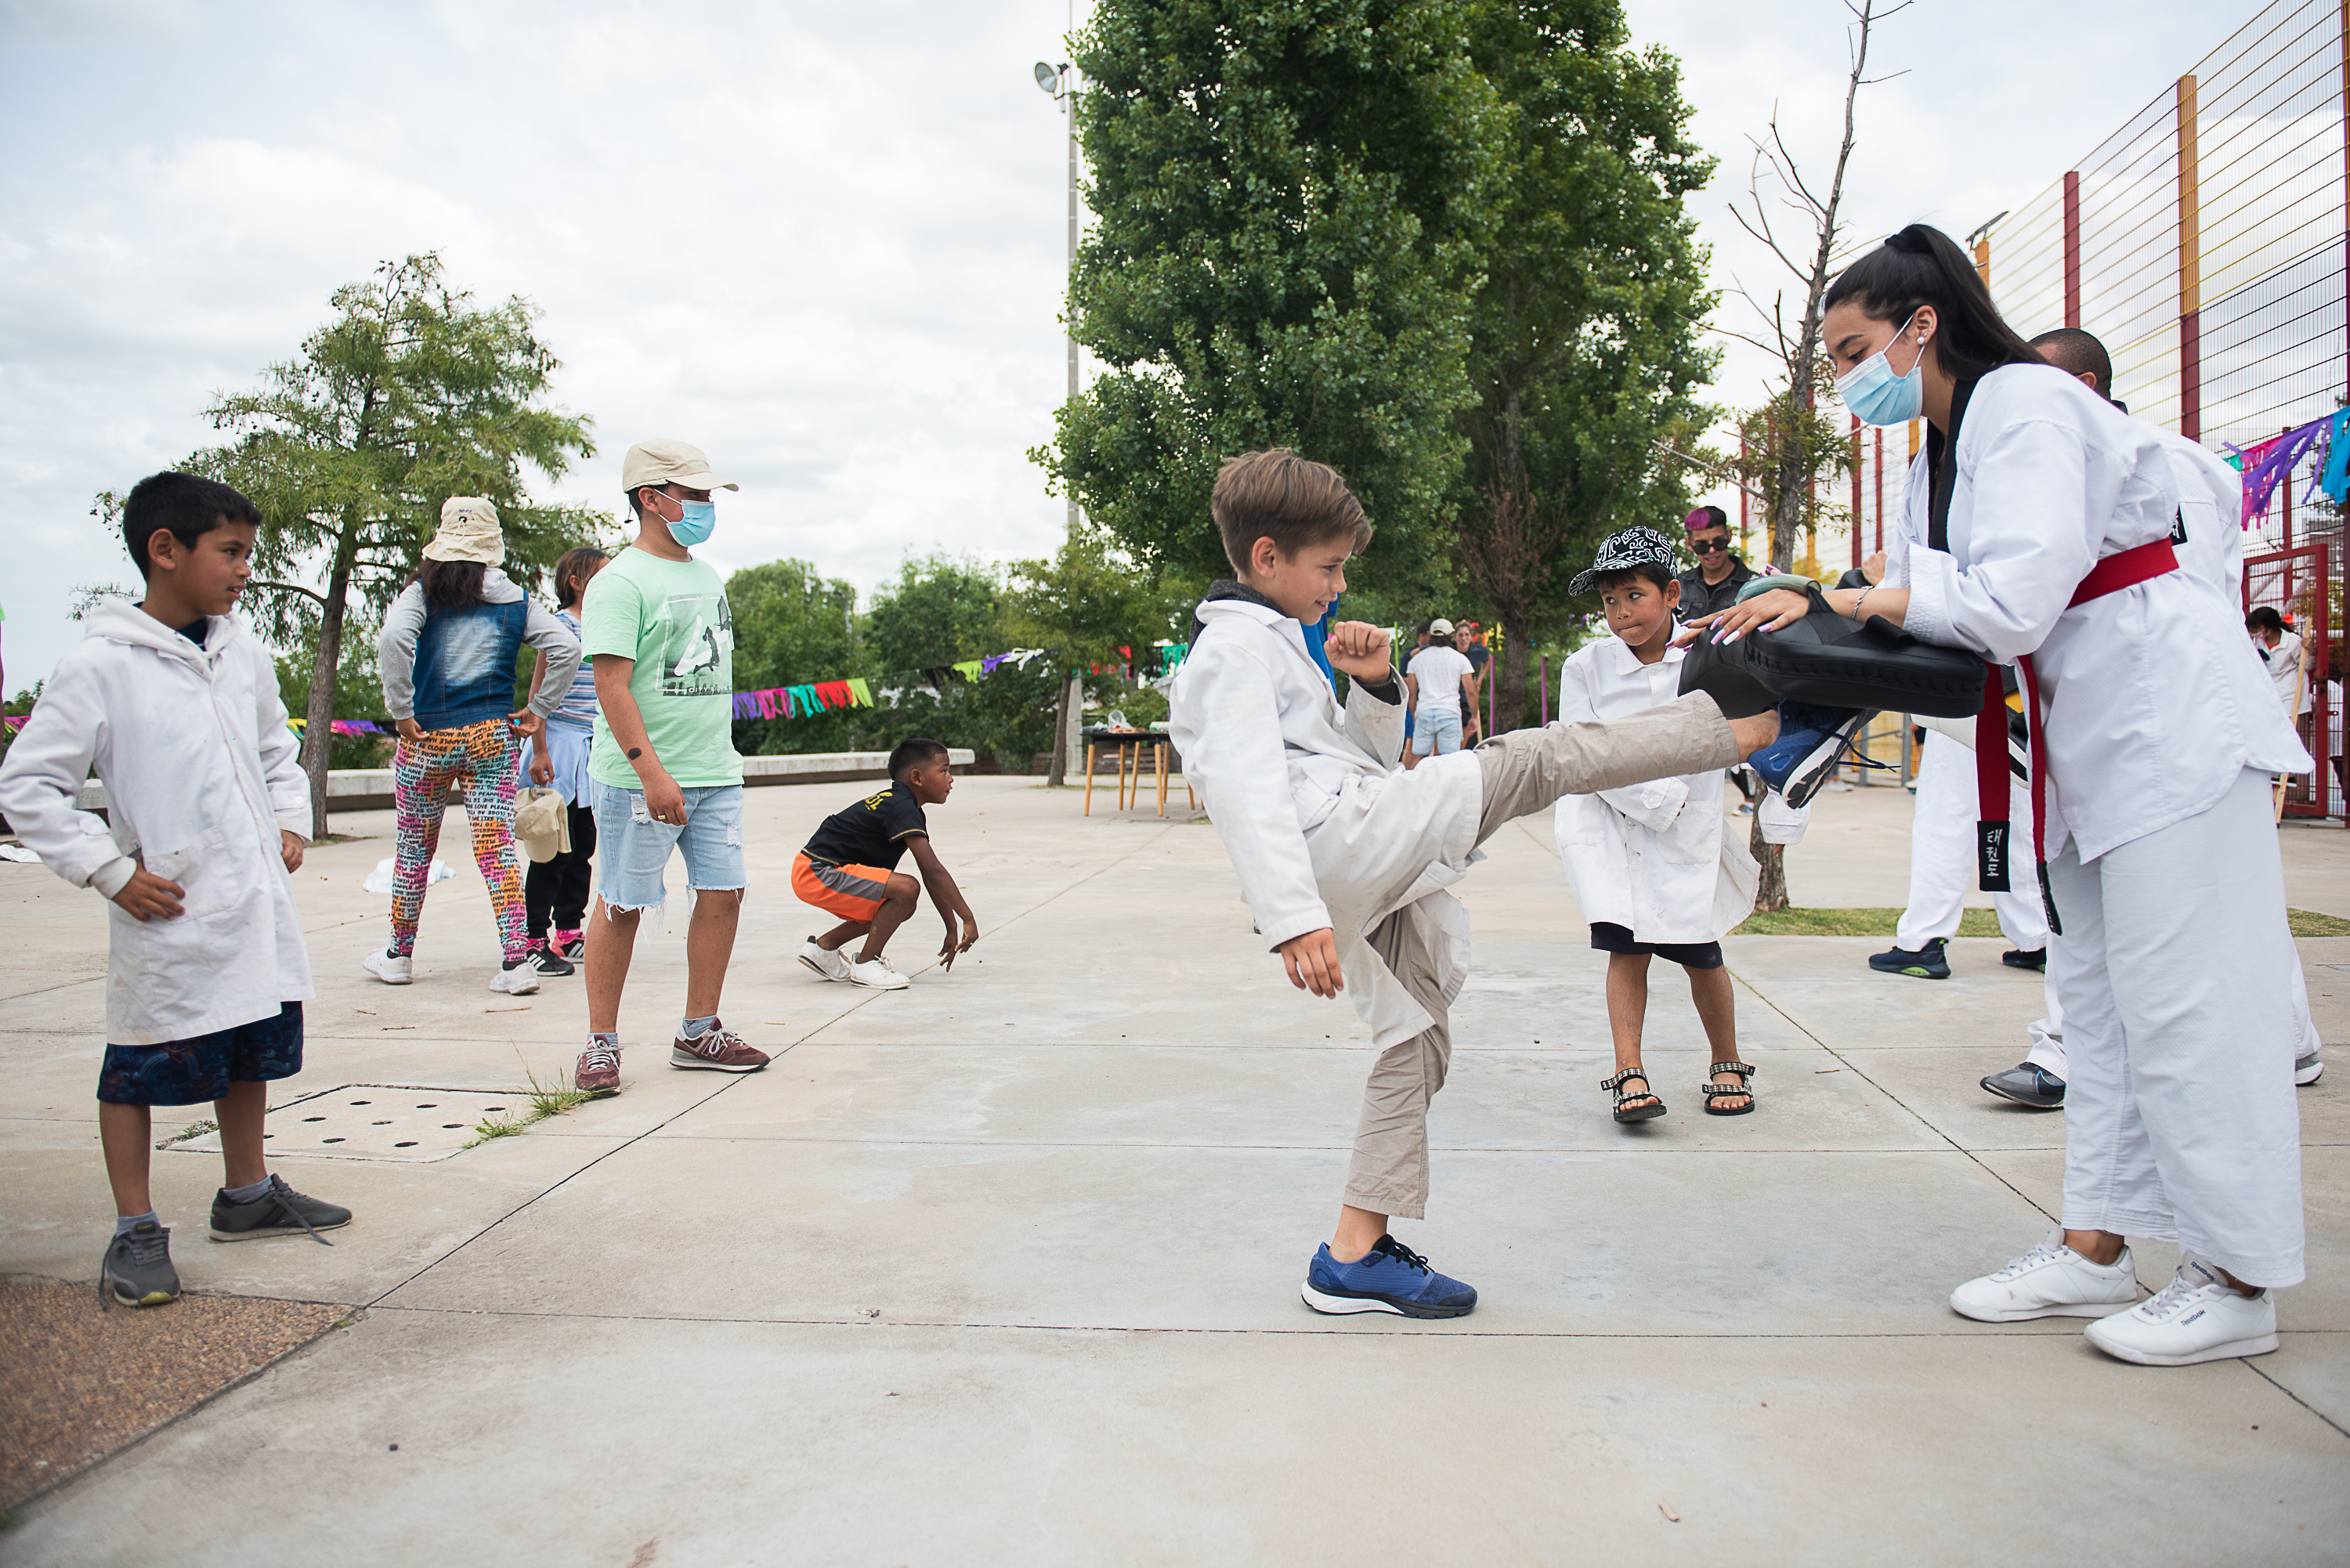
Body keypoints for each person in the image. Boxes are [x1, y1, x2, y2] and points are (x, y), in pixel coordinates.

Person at [1697, 223, 2310, 1367]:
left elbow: (2012, 600)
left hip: (2165, 720)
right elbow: (1903, 584)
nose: (1844, 377)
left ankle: (2236, 1273)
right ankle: (2095, 1245)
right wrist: (1814, 600)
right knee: (2101, 1004)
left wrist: (1853, 595)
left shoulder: (2026, 402)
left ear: (1920, 323)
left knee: (2192, 1007)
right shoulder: (1941, 444)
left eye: (1851, 348)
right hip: (2088, 732)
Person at [1167, 448, 1777, 1321]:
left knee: (1417, 1039)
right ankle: (1750, 727)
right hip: (1335, 848)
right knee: (1542, 753)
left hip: (1355, 836)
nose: (1338, 587)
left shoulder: (1270, 641)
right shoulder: (1228, 650)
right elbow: (1243, 787)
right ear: (1267, 557)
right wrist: (1291, 918)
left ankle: (1352, 1254)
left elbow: (1349, 756)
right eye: (1328, 567)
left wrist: (1375, 685)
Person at [0, 471, 348, 1308]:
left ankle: (246, 1191)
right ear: (166, 550)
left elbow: (275, 747)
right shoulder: (101, 666)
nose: (242, 572)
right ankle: (135, 1227)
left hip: (249, 899)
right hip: (168, 905)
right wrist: (111, 872)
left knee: (247, 1038)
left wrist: (288, 818)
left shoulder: (241, 651)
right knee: (139, 1064)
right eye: (230, 553)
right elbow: (28, 787)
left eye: (247, 555)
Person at [573, 440, 771, 1094]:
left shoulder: (706, 575)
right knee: (622, 903)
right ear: (651, 499)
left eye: (709, 495)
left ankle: (699, 1029)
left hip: (716, 770)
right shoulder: (619, 582)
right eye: (695, 495)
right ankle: (601, 1044)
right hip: (640, 776)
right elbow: (611, 685)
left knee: (723, 893)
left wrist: (711, 763)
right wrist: (652, 772)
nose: (707, 506)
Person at [1555, 527, 1759, 1122]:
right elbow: (1583, 754)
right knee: (1626, 946)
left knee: (1700, 951)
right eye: (1609, 601)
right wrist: (1654, 798)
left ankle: (1727, 1058)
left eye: (1634, 596)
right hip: (1610, 831)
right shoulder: (1586, 667)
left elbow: (1728, 735)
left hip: (1686, 830)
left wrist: (1671, 801)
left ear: (1672, 594)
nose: (1620, 614)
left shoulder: (1708, 657)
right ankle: (1629, 1072)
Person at [366, 498, 583, 996]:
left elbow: (393, 639)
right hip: (492, 736)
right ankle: (515, 961)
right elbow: (566, 648)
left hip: (427, 738)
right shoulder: (515, 600)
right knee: (496, 848)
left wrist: (402, 712)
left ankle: (399, 955)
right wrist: (539, 709)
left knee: (414, 849)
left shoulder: (423, 593)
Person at [793, 738, 979, 990]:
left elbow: (930, 873)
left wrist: (951, 925)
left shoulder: (904, 806)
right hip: (818, 870)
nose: (951, 779)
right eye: (944, 770)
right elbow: (933, 871)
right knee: (906, 889)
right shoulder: (902, 808)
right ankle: (866, 963)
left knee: (902, 904)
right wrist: (967, 917)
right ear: (917, 778)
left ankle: (823, 949)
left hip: (814, 869)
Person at [520, 545, 612, 977]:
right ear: (576, 581)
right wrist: (539, 750)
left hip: (593, 751)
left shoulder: (607, 627)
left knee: (583, 848)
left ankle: (569, 932)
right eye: (601, 575)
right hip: (558, 747)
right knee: (551, 851)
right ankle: (532, 938)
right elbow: (537, 695)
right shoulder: (558, 628)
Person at [1404, 616, 1478, 766]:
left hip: (1424, 712)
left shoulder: (1416, 660)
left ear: (1431, 636)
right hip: (1450, 712)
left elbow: (1411, 693)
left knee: (1418, 759)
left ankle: (1413, 787)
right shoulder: (1460, 659)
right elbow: (1471, 692)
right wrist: (1474, 716)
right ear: (1450, 636)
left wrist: (1412, 716)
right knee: (1449, 762)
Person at [1673, 506, 1759, 623]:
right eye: (1702, 545)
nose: (1712, 550)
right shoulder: (1678, 586)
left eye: (1719, 542)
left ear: (1729, 536)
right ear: (1689, 544)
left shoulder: (1755, 586)